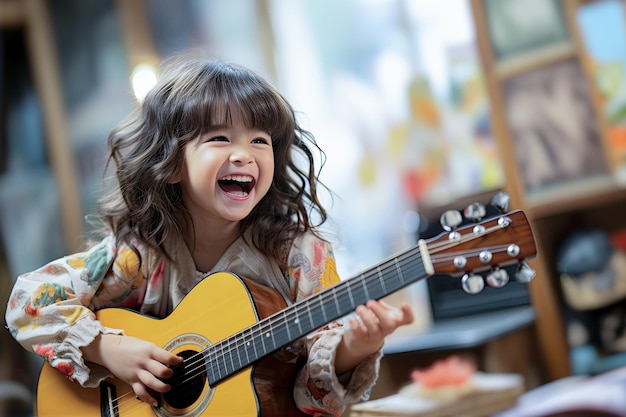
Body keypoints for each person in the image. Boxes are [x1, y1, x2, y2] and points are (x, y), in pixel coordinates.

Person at [5, 55, 414, 416]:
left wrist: (352, 349)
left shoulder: (301, 256)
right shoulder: (140, 255)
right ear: (170, 163)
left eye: (260, 140)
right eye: (220, 138)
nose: (244, 154)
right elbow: (29, 301)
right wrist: (107, 348)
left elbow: (306, 398)